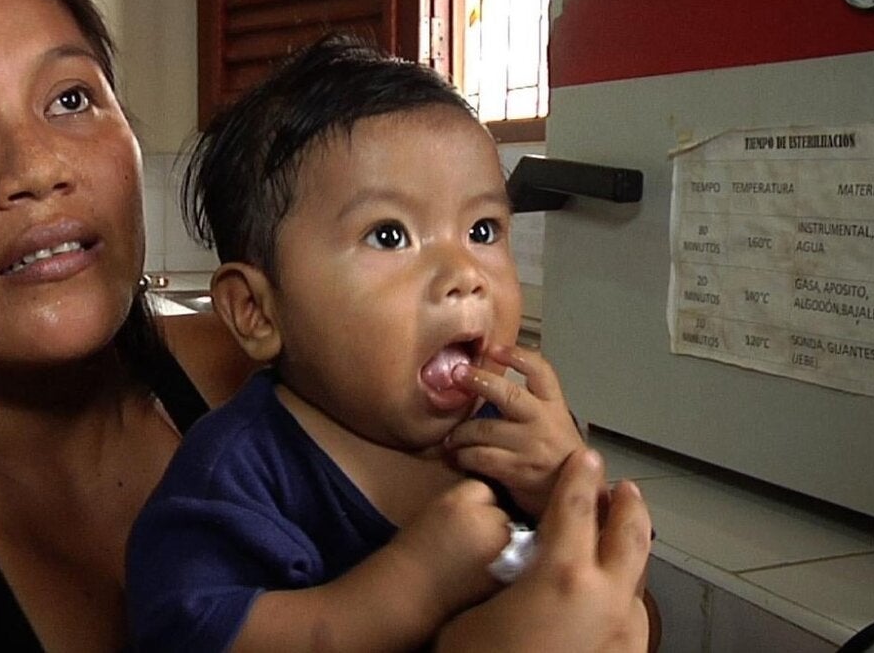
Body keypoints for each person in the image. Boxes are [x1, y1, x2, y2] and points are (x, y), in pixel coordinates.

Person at [0, 0, 652, 652]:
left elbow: (591, 599)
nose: (36, 166)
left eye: (72, 98)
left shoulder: (289, 372)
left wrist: (567, 505)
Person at [125, 35, 590, 651]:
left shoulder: (515, 440)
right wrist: (414, 585)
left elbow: (625, 607)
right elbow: (187, 636)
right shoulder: (237, 478)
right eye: (390, 236)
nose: (464, 274)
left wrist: (565, 493)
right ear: (257, 311)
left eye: (482, 229)